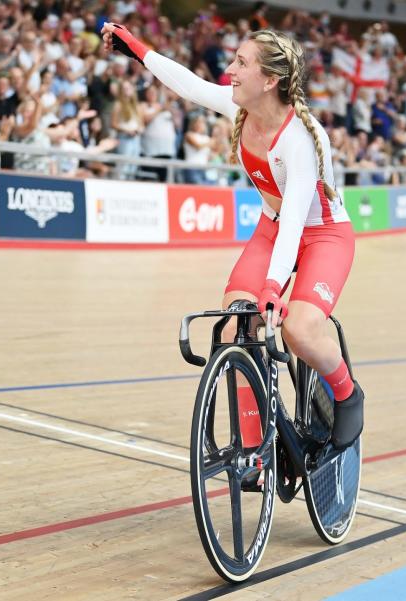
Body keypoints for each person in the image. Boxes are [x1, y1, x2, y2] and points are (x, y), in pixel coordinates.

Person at [103, 23, 364, 449]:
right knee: (233, 329)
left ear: (270, 80)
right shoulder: (239, 106)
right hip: (272, 228)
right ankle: (255, 446)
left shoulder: (302, 138)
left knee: (298, 329)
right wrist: (137, 48)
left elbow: (297, 217)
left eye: (241, 63)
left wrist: (274, 288)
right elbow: (187, 83)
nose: (230, 71)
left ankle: (347, 392)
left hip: (322, 236)